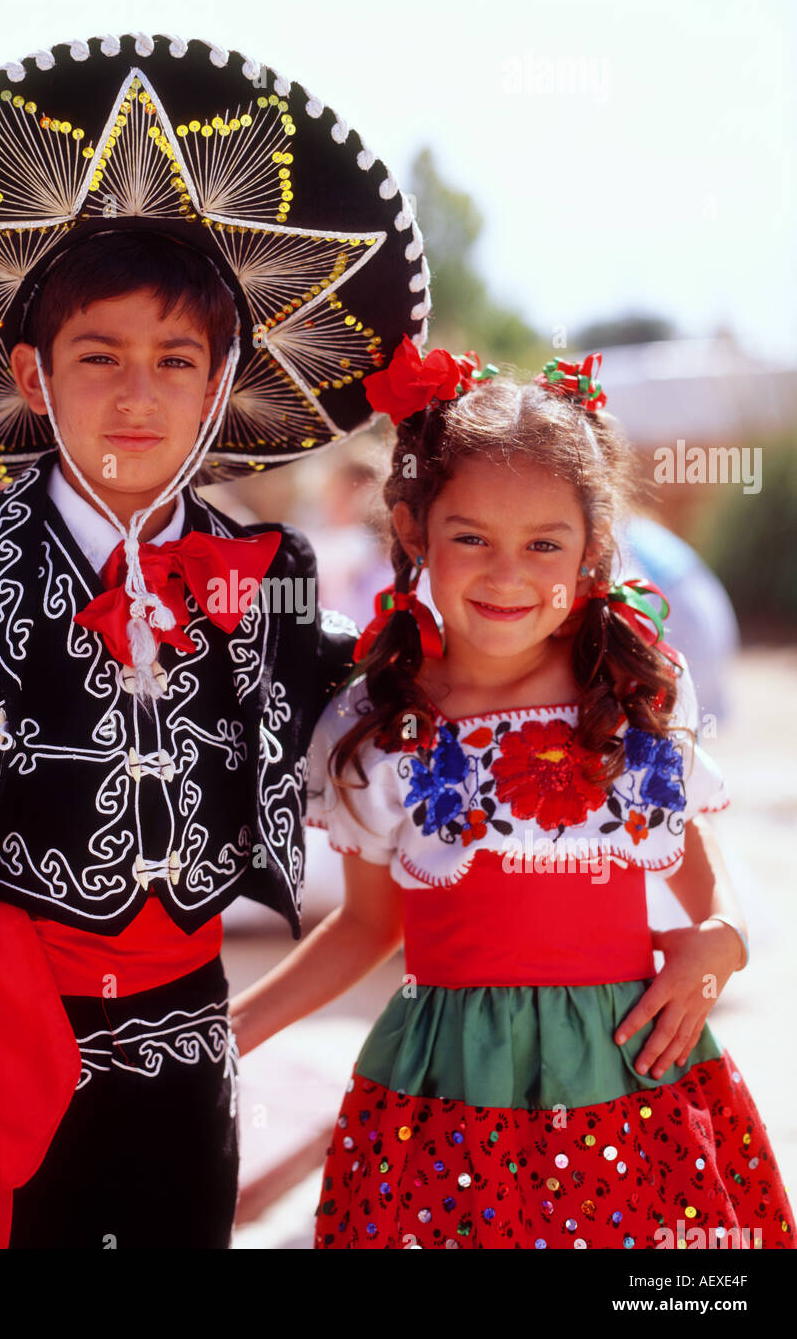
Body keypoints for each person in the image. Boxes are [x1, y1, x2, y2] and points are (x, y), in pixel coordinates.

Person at [0, 33, 429, 1249]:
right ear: (32, 376)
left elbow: (372, 708)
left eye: (176, 362)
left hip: (188, 1047)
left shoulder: (272, 574)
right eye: (97, 357)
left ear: (221, 386)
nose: (137, 395)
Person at [231, 342, 795, 1249]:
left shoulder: (633, 694)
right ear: (414, 531)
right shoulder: (376, 729)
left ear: (593, 548)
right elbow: (371, 927)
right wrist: (226, 1035)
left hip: (630, 1079)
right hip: (447, 1094)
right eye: (471, 539)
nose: (507, 573)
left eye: (544, 543)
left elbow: (680, 844)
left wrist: (721, 936)